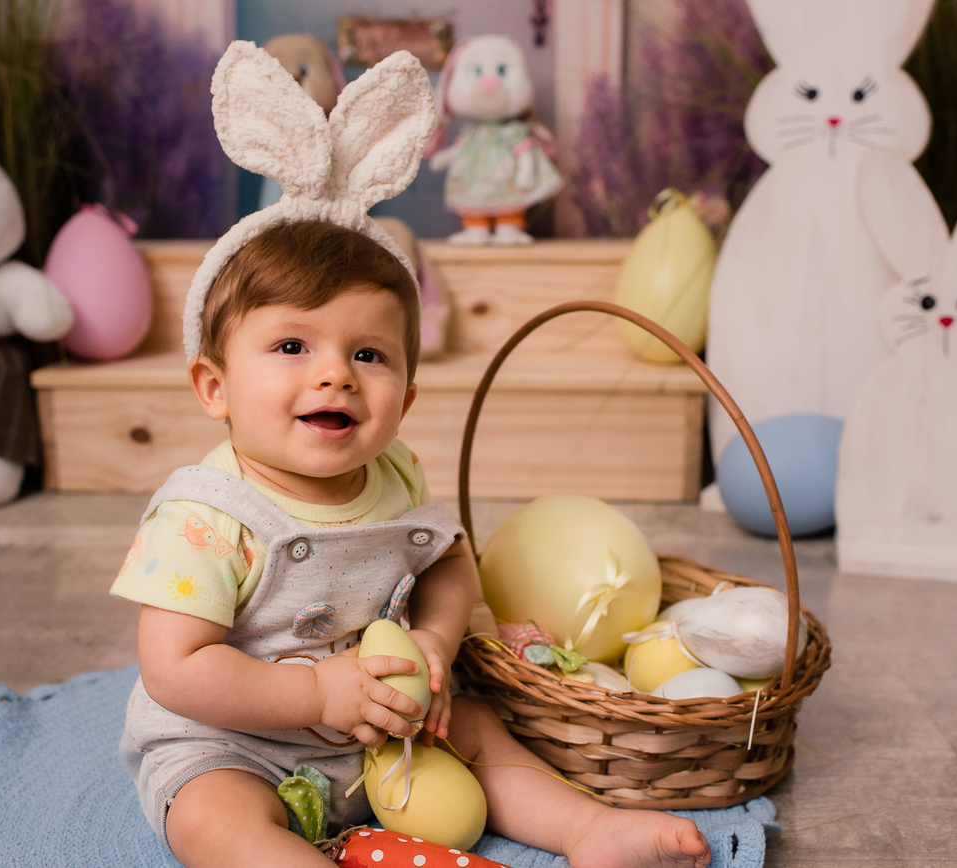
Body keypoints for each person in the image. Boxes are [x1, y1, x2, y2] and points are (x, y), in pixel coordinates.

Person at [109, 220, 711, 868]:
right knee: (209, 818)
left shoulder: (396, 473)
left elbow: (447, 562)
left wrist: (434, 641)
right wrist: (317, 695)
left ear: (407, 398)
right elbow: (176, 669)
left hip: (387, 724)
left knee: (478, 729)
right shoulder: (203, 517)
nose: (336, 374)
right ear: (215, 386)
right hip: (238, 743)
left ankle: (588, 829)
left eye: (369, 355)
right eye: (292, 346)